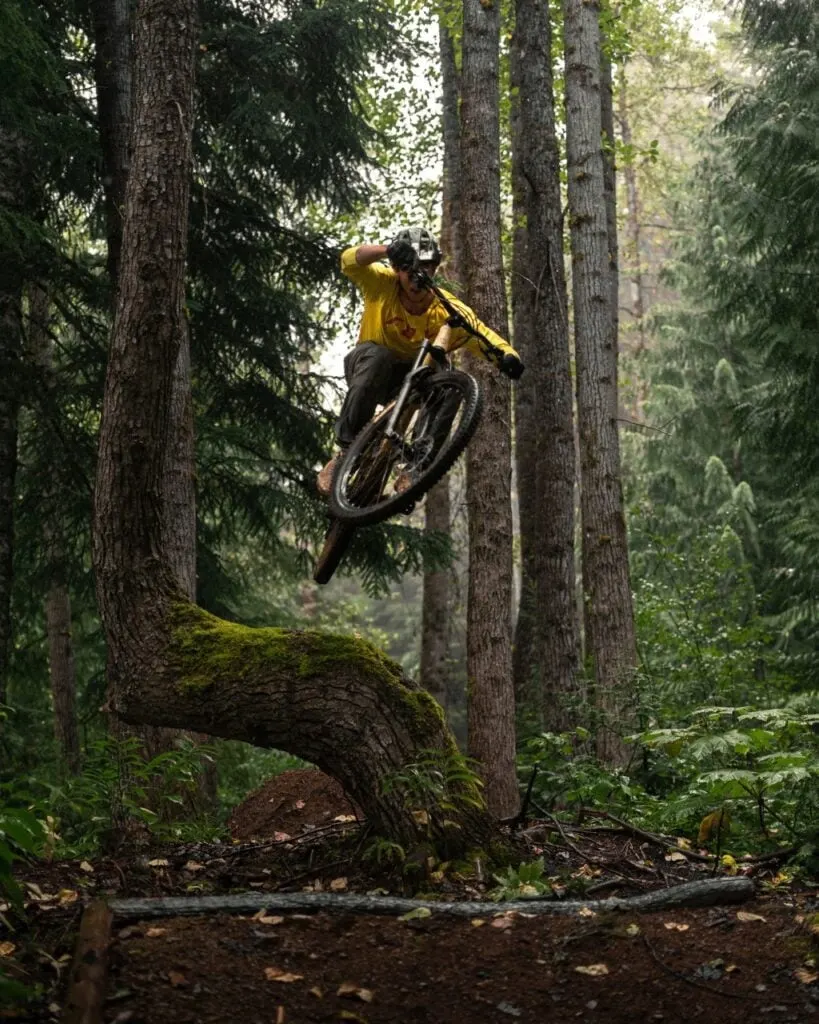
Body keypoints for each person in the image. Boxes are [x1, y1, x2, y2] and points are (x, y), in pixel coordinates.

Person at [317, 226, 524, 496]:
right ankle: (346, 453)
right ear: (396, 268)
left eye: (426, 267)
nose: (418, 275)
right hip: (369, 367)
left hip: (412, 380)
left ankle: (415, 468)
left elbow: (482, 335)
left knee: (446, 375)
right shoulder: (382, 283)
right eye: (411, 267)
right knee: (380, 356)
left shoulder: (446, 308)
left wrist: (509, 358)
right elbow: (348, 260)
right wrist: (386, 250)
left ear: (435, 269)